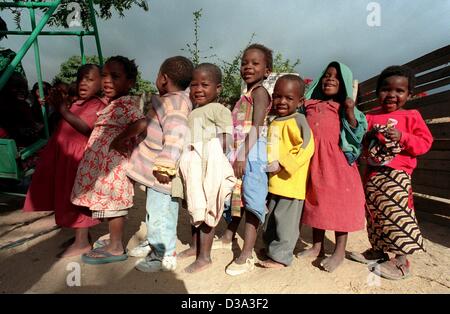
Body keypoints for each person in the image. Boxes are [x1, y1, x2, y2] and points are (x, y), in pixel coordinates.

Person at [349, 65, 433, 280]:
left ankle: (401, 259)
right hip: (372, 174)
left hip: (397, 175)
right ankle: (377, 251)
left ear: (409, 94)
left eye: (399, 91)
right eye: (386, 89)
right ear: (378, 92)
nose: (392, 95)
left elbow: (424, 143)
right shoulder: (370, 117)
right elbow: (359, 139)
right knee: (375, 214)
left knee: (397, 215)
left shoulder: (412, 116)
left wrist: (403, 137)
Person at [23, 64, 106, 257]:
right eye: (81, 79)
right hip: (66, 157)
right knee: (67, 197)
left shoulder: (97, 104)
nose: (83, 83)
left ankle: (82, 242)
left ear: (101, 83)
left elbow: (86, 128)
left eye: (90, 79)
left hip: (78, 160)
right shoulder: (77, 103)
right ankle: (80, 236)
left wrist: (62, 109)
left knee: (79, 200)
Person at [71, 56, 147, 264]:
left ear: (129, 82)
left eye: (115, 76)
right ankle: (113, 243)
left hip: (113, 168)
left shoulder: (124, 105)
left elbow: (141, 123)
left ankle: (115, 248)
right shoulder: (113, 105)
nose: (107, 81)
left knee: (115, 207)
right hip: (104, 169)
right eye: (104, 75)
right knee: (109, 205)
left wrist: (120, 139)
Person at [297, 61, 367, 272]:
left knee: (338, 205)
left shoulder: (344, 108)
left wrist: (350, 110)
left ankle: (338, 252)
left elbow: (357, 132)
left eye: (336, 77)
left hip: (337, 164)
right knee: (316, 202)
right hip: (313, 161)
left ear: (343, 83)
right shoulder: (309, 104)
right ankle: (317, 246)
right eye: (327, 75)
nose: (330, 79)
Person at [126, 56, 194, 272]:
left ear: (164, 78)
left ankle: (162, 254)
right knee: (155, 213)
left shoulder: (175, 104)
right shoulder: (170, 100)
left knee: (160, 215)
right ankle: (154, 243)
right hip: (156, 173)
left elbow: (175, 136)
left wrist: (165, 166)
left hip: (163, 174)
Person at [213, 43, 273, 276]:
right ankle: (228, 237)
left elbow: (256, 127)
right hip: (240, 152)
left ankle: (246, 254)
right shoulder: (245, 95)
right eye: (244, 62)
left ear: (266, 71)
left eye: (255, 63)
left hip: (252, 152)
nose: (248, 66)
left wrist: (242, 154)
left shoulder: (259, 93)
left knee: (252, 199)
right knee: (236, 195)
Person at [177, 63, 236, 273]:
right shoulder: (194, 111)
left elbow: (227, 138)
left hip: (207, 167)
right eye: (194, 85)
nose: (198, 89)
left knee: (206, 211)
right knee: (194, 208)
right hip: (192, 168)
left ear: (218, 88)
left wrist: (206, 149)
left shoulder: (219, 109)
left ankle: (205, 257)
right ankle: (194, 247)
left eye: (204, 84)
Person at [260, 74, 314, 268]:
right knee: (271, 218)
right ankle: (270, 248)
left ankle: (281, 257)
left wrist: (284, 164)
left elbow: (307, 147)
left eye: (288, 98)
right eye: (277, 96)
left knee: (286, 222)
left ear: (300, 101)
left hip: (291, 183)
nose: (281, 101)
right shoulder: (274, 121)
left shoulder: (299, 120)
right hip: (274, 181)